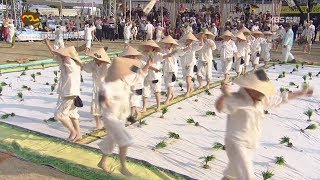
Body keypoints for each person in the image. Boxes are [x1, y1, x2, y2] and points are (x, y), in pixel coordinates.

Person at [216, 69, 313, 180]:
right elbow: (220, 107)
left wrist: (301, 93)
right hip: (237, 143)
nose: (262, 93)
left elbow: (280, 98)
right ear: (249, 88)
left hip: (251, 143)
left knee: (232, 174)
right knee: (247, 176)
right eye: (259, 90)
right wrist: (224, 94)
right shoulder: (236, 98)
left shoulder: (261, 100)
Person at [98, 56, 152, 176]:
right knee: (125, 141)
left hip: (121, 116)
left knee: (111, 140)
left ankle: (102, 162)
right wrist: (106, 101)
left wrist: (148, 64)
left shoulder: (125, 80)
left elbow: (140, 75)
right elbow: (102, 96)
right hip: (111, 117)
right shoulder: (109, 83)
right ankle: (123, 167)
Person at [44, 39, 83, 142]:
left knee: (60, 115)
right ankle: (78, 134)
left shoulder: (71, 64)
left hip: (71, 93)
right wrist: (48, 44)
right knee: (73, 114)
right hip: (70, 93)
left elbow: (64, 57)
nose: (60, 57)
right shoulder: (67, 62)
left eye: (63, 55)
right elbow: (56, 55)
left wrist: (61, 52)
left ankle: (73, 131)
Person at [83, 48, 111, 130]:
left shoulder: (108, 66)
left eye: (96, 58)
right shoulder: (93, 63)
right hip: (96, 89)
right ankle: (98, 124)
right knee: (96, 107)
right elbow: (86, 68)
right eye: (94, 58)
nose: (94, 59)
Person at [120, 46, 145, 121]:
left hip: (138, 85)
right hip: (130, 85)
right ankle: (137, 113)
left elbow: (140, 71)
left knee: (133, 102)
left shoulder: (140, 63)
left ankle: (131, 117)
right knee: (131, 101)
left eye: (129, 56)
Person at [160, 35, 186, 105]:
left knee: (170, 84)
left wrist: (186, 48)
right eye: (165, 43)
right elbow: (161, 56)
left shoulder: (175, 50)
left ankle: (167, 99)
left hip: (173, 70)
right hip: (166, 69)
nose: (165, 44)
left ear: (171, 43)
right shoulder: (163, 50)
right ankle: (173, 94)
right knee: (167, 84)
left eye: (167, 43)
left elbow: (182, 52)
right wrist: (168, 55)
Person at [179, 32, 203, 97]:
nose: (189, 41)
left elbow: (200, 45)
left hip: (191, 64)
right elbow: (180, 53)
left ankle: (187, 92)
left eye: (190, 40)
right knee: (186, 78)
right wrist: (186, 48)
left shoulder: (194, 46)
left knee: (188, 78)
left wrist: (201, 38)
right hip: (184, 64)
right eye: (188, 39)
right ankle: (191, 88)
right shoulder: (181, 45)